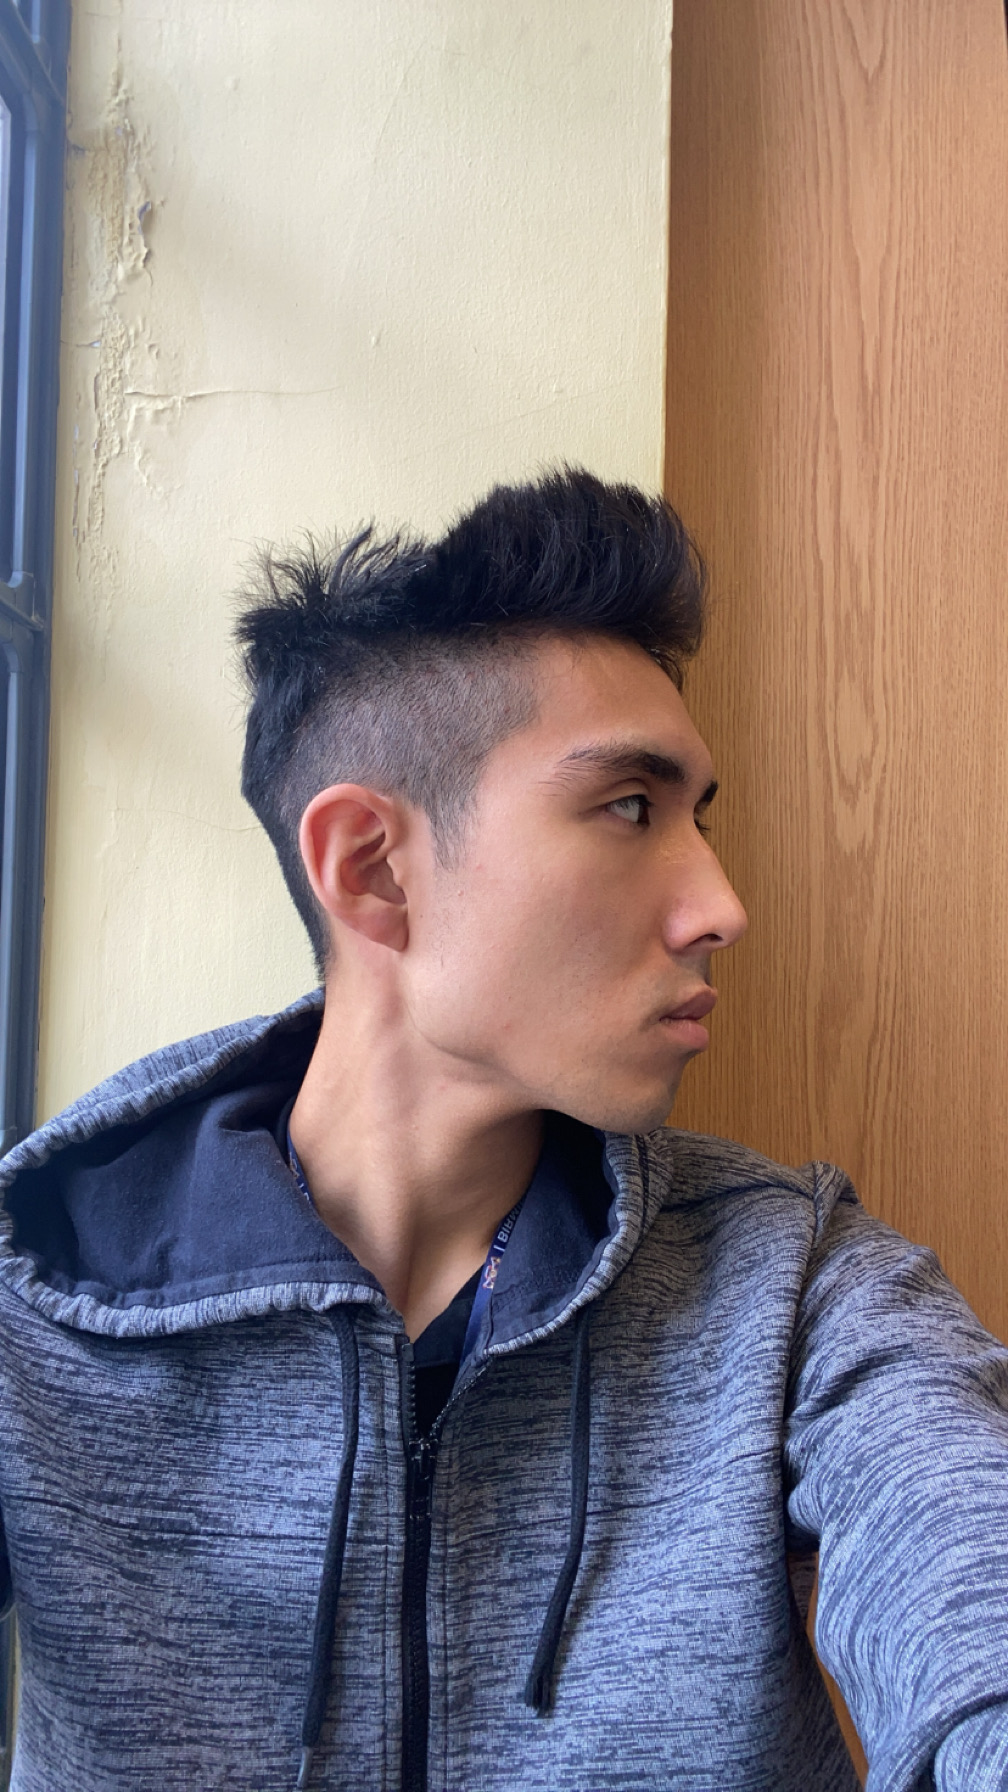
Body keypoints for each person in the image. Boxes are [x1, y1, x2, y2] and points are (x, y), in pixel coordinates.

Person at [0, 468, 1005, 1792]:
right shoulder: (37, 1301)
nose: (721, 906)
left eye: (697, 816)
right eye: (629, 807)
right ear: (374, 869)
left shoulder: (795, 1286)